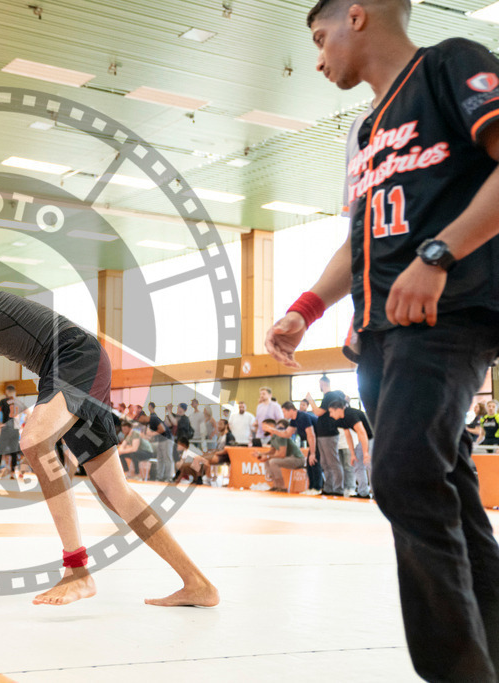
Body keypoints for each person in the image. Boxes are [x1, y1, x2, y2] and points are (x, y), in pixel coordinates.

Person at [267, 1, 499, 677]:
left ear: (356, 16)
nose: (317, 58)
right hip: (379, 334)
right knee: (444, 485)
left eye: (319, 38)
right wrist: (307, 307)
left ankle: (455, 671)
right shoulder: (366, 128)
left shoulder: (449, 64)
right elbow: (360, 237)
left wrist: (438, 255)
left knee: (400, 475)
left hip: (446, 311)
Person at [0, 275, 218, 607]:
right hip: (73, 363)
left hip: (73, 357)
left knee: (34, 441)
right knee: (116, 493)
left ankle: (77, 569)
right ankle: (197, 584)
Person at [327, 400, 374, 499]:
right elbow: (348, 436)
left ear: (338, 409)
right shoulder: (342, 419)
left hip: (372, 439)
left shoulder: (350, 414)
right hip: (364, 440)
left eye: (331, 412)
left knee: (369, 464)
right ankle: (363, 492)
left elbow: (362, 432)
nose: (330, 415)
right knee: (357, 462)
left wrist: (366, 453)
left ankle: (375, 493)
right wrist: (352, 454)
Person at [257, 419, 306, 492]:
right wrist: (260, 454)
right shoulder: (273, 437)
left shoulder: (280, 435)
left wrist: (267, 456)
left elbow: (282, 454)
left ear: (271, 426)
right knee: (268, 461)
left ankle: (282, 487)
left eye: (264, 426)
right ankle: (275, 485)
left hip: (297, 459)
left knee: (273, 462)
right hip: (290, 458)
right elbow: (272, 451)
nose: (262, 428)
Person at [0, 384, 22, 476]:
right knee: (14, 451)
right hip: (15, 428)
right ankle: (13, 473)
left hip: (6, 427)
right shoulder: (18, 401)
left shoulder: (3, 401)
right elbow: (27, 414)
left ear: (7, 392)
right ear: (15, 392)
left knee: (1, 450)